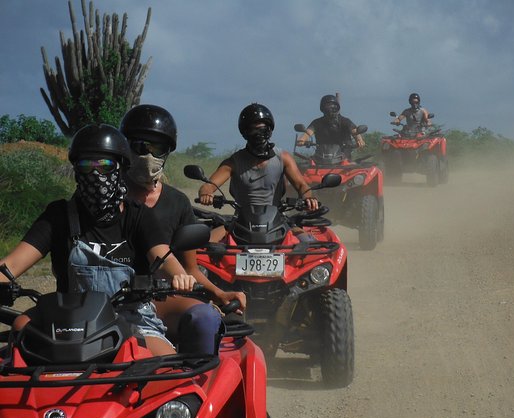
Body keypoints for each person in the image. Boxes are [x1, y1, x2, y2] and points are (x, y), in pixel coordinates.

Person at [0, 124, 196, 356]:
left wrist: (179, 277)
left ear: (121, 169)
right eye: (86, 165)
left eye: (104, 166)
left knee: (168, 370)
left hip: (130, 316)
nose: (95, 175)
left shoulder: (138, 215)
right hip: (66, 319)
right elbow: (10, 266)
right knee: (20, 331)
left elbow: (162, 257)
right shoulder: (58, 216)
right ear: (75, 169)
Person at [120, 104, 246, 355]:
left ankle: (194, 389)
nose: (148, 154)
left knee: (205, 319)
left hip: (161, 299)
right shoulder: (108, 198)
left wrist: (219, 293)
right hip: (106, 297)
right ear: (125, 148)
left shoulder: (176, 203)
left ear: (167, 153)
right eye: (140, 146)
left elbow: (190, 269)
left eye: (157, 148)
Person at [198, 103, 319, 217]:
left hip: (277, 220)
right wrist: (205, 194)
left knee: (305, 238)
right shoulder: (233, 162)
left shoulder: (283, 158)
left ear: (270, 130)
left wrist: (308, 198)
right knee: (207, 238)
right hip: (241, 222)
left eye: (262, 129)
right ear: (245, 132)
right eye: (253, 130)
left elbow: (301, 185)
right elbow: (208, 186)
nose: (258, 134)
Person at [296, 94, 366, 158]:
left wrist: (359, 140)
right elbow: (307, 133)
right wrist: (301, 140)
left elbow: (355, 131)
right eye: (327, 106)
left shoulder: (345, 121)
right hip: (320, 158)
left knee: (355, 169)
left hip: (344, 158)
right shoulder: (317, 123)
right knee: (302, 168)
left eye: (332, 106)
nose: (330, 109)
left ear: (337, 107)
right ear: (322, 108)